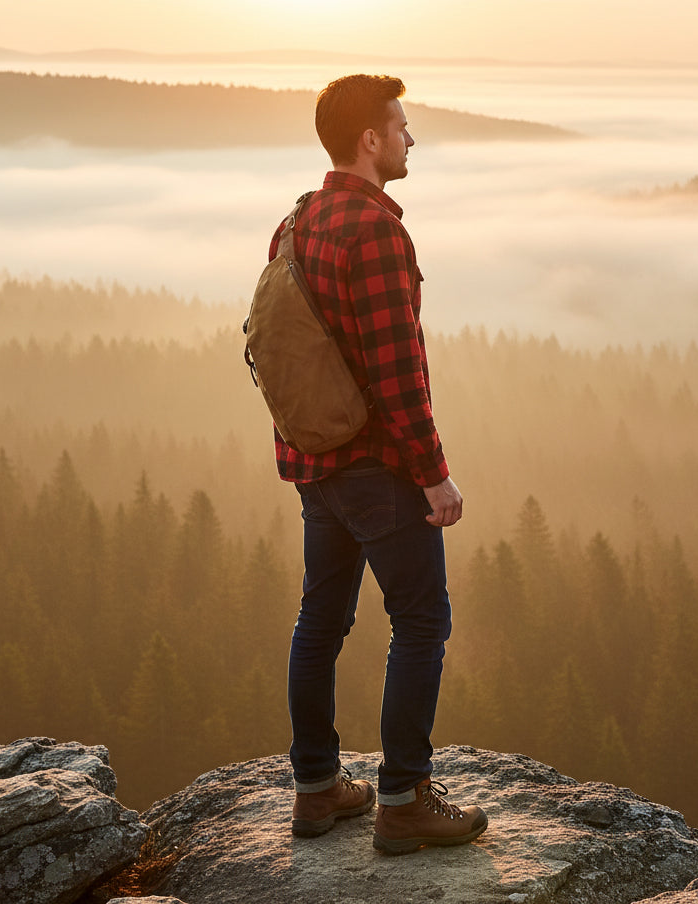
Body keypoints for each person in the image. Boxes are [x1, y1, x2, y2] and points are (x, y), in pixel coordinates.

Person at [269, 74, 487, 854]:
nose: (409, 139)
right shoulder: (379, 235)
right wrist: (434, 475)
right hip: (375, 469)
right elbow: (398, 377)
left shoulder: (295, 224)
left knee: (319, 621)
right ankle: (402, 800)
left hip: (314, 466)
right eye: (399, 127)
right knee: (422, 620)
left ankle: (317, 788)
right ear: (369, 139)